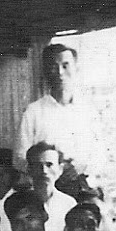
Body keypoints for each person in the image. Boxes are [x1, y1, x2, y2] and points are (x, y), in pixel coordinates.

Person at [15, 43, 100, 179]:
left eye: (65, 66)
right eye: (54, 67)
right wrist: (43, 170)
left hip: (81, 183)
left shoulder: (88, 111)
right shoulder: (33, 112)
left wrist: (81, 168)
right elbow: (19, 158)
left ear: (76, 68)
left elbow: (100, 155)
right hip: (46, 184)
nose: (60, 72)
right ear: (46, 72)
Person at [23, 142, 75, 231]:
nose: (44, 171)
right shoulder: (19, 203)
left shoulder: (69, 204)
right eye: (37, 165)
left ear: (60, 169)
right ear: (29, 170)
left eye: (49, 165)